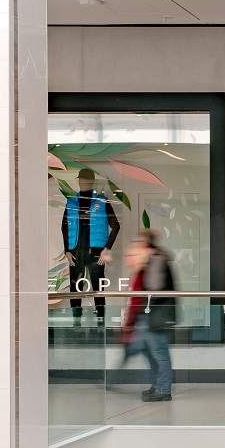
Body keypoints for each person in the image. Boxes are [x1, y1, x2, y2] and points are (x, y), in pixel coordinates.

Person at [62, 168, 122, 324]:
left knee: (98, 287)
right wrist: (67, 250)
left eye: (87, 180)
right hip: (76, 251)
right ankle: (76, 322)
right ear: (79, 181)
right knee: (75, 288)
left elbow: (116, 226)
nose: (83, 183)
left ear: (92, 181)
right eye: (81, 180)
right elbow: (64, 227)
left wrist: (106, 249)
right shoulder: (71, 202)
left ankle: (101, 321)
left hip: (96, 251)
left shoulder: (102, 201)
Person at [128, 230, 176, 402]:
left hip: (155, 313)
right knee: (149, 351)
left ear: (146, 245)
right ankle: (157, 385)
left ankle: (163, 389)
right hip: (150, 312)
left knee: (159, 353)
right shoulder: (154, 258)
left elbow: (155, 288)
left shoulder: (156, 259)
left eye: (139, 244)